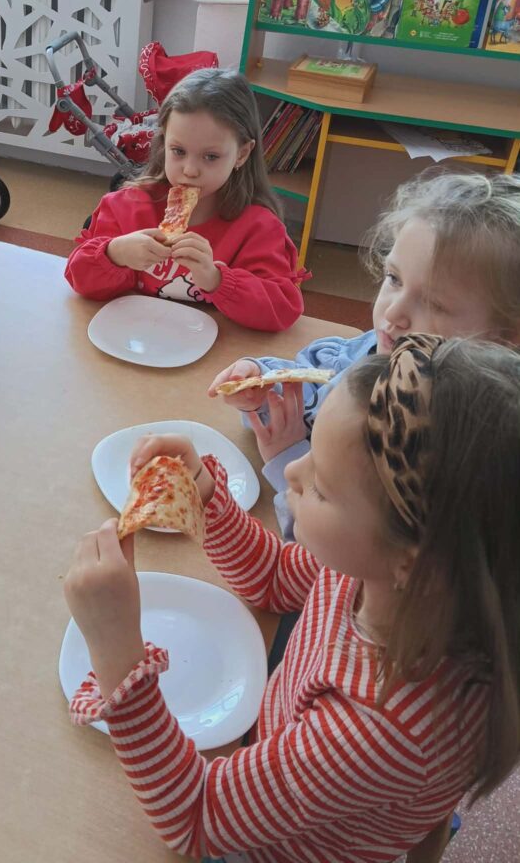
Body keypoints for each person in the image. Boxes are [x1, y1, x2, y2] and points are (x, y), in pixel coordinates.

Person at [64, 335, 520, 862]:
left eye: (320, 485)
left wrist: (116, 651)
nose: (291, 472)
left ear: (411, 559)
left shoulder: (376, 727)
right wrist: (203, 492)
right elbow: (276, 578)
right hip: (287, 764)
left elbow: (195, 818)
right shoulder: (387, 577)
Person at [208, 170, 520, 539]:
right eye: (394, 279)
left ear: (505, 340)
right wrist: (263, 386)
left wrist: (286, 457)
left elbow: (340, 551)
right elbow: (312, 383)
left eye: (434, 303)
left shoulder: (444, 453)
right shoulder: (371, 349)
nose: (393, 312)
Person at [64, 69, 307, 332]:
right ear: (163, 142)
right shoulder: (126, 206)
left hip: (216, 347)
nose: (190, 170)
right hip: (135, 337)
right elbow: (79, 278)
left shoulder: (259, 227)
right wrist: (115, 254)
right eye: (178, 151)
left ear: (242, 154)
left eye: (210, 157)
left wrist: (216, 279)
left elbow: (282, 309)